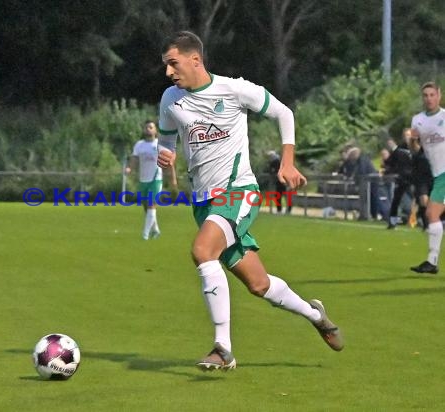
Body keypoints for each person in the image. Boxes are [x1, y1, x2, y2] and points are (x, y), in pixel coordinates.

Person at [156, 31, 343, 370]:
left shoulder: (234, 89)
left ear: (195, 59)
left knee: (202, 252)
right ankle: (315, 314)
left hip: (239, 192)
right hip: (203, 203)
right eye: (166, 66)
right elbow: (166, 144)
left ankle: (222, 348)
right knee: (259, 284)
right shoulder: (171, 100)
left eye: (173, 63)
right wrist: (165, 160)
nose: (169, 72)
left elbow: (284, 113)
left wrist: (287, 162)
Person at [410, 82, 445, 274]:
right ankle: (431, 262)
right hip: (437, 174)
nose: (429, 98)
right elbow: (415, 150)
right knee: (433, 214)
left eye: (432, 94)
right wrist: (412, 139)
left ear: (439, 95)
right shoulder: (418, 120)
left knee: (432, 213)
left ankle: (432, 262)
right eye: (425, 95)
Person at [125, 120, 177, 239]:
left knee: (151, 204)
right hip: (143, 179)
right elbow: (134, 159)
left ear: (155, 130)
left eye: (150, 127)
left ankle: (145, 234)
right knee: (146, 206)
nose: (148, 129)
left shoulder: (160, 145)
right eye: (146, 127)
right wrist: (129, 168)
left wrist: (173, 179)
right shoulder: (139, 145)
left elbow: (169, 163)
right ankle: (155, 230)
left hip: (156, 179)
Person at [384, 136, 413, 229]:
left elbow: (390, 164)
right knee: (398, 200)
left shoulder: (398, 151)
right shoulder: (407, 151)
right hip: (409, 178)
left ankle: (393, 222)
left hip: (404, 178)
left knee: (397, 200)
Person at [408, 129, 433, 230]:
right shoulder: (419, 151)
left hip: (434, 178)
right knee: (423, 201)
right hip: (421, 180)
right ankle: (426, 225)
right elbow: (413, 145)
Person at [266, 150, 292, 214]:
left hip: (281, 181)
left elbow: (272, 171)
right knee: (283, 196)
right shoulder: (279, 161)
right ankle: (286, 209)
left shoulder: (276, 162)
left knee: (280, 195)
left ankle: (281, 209)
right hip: (282, 181)